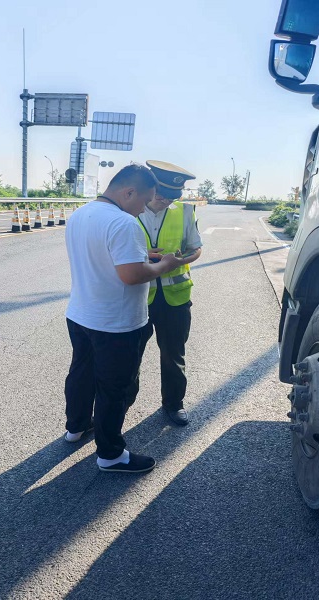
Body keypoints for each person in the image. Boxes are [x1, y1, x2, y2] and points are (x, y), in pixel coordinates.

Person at [64, 164, 183, 473]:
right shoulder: (123, 222)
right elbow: (132, 276)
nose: (143, 209)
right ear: (129, 192)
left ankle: (76, 426)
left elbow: (103, 257)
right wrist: (165, 265)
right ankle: (111, 454)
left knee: (81, 374)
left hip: (80, 314)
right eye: (143, 201)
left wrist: (144, 258)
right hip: (115, 324)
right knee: (114, 389)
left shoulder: (80, 214)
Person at [131, 160, 203, 426]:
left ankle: (174, 404)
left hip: (176, 299)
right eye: (160, 196)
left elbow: (196, 247)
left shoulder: (184, 212)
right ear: (150, 188)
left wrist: (181, 259)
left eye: (171, 198)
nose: (164, 202)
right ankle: (122, 405)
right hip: (137, 299)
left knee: (174, 355)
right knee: (130, 356)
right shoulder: (129, 211)